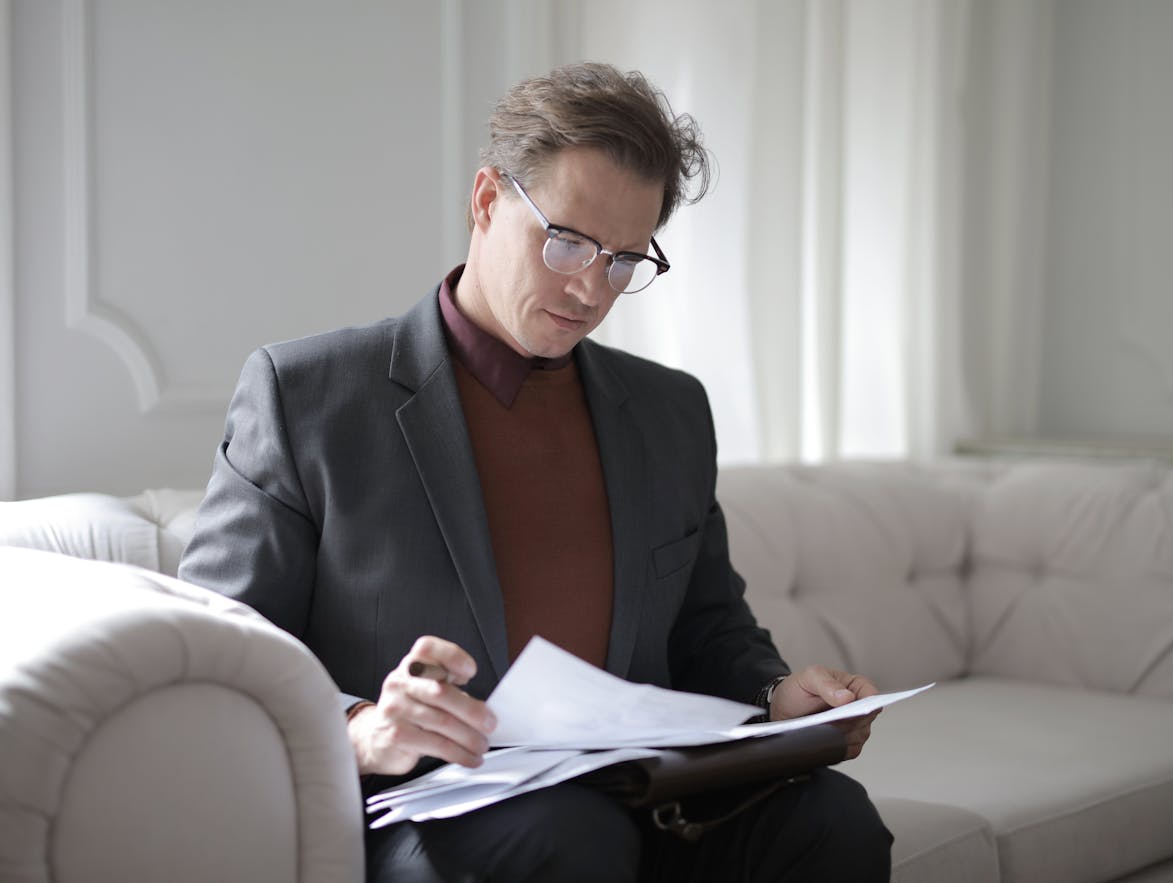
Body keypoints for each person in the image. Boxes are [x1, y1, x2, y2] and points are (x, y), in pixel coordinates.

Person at [180, 61, 892, 881]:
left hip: (641, 793)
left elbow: (706, 628)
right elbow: (221, 659)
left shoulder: (669, 411)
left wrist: (778, 703)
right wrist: (365, 727)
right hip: (432, 808)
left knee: (832, 820)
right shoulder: (307, 396)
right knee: (567, 838)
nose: (591, 288)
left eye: (626, 260)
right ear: (487, 201)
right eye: (567, 242)